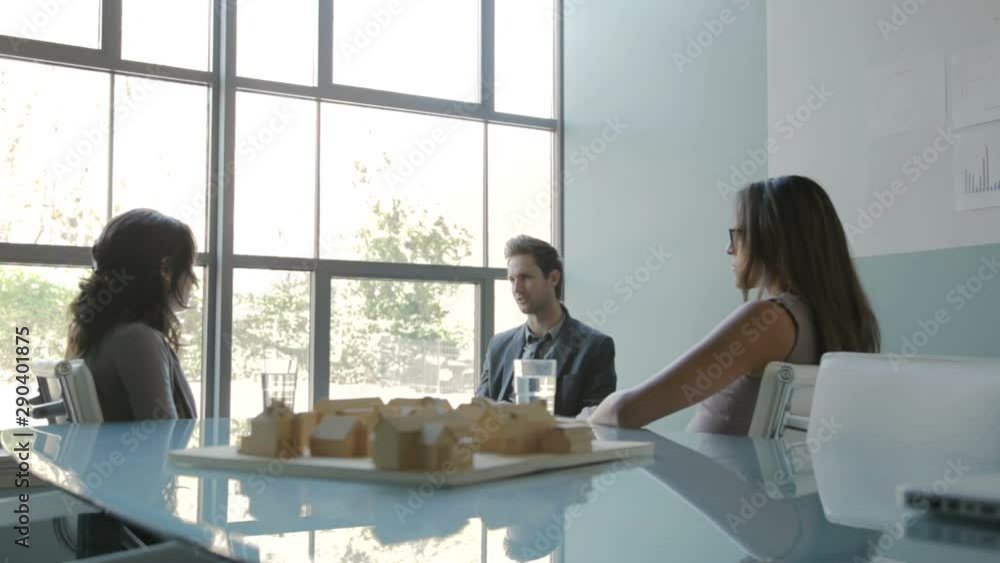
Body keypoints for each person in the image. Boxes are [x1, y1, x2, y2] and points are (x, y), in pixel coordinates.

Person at [588, 176, 880, 432]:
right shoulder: (849, 320)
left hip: (715, 477)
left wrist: (581, 421)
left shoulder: (770, 321)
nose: (729, 249)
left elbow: (628, 411)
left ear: (771, 239)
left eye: (737, 235)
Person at [66, 209, 199, 420]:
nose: (193, 279)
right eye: (189, 267)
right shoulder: (138, 340)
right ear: (165, 269)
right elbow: (161, 434)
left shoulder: (101, 335)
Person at [476, 235, 617, 416]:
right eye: (512, 280)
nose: (517, 289)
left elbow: (598, 422)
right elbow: (479, 413)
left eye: (525, 277)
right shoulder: (498, 346)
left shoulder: (596, 346)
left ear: (553, 278)